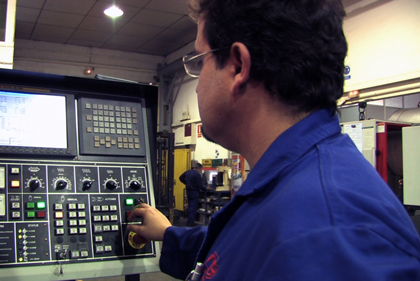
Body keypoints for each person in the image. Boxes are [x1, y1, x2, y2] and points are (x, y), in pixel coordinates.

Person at [127, 0, 420, 280]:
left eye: (201, 61)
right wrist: (169, 235)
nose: (198, 83)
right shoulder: (293, 188)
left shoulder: (331, 234)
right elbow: (246, 245)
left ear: (239, 66)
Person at [179, 162, 209, 226]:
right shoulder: (197, 174)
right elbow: (200, 185)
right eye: (200, 169)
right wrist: (206, 188)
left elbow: (180, 178)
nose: (200, 171)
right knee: (193, 207)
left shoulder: (188, 172)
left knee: (190, 206)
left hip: (188, 191)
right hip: (194, 192)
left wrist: (186, 183)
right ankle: (190, 222)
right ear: (198, 168)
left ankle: (189, 221)